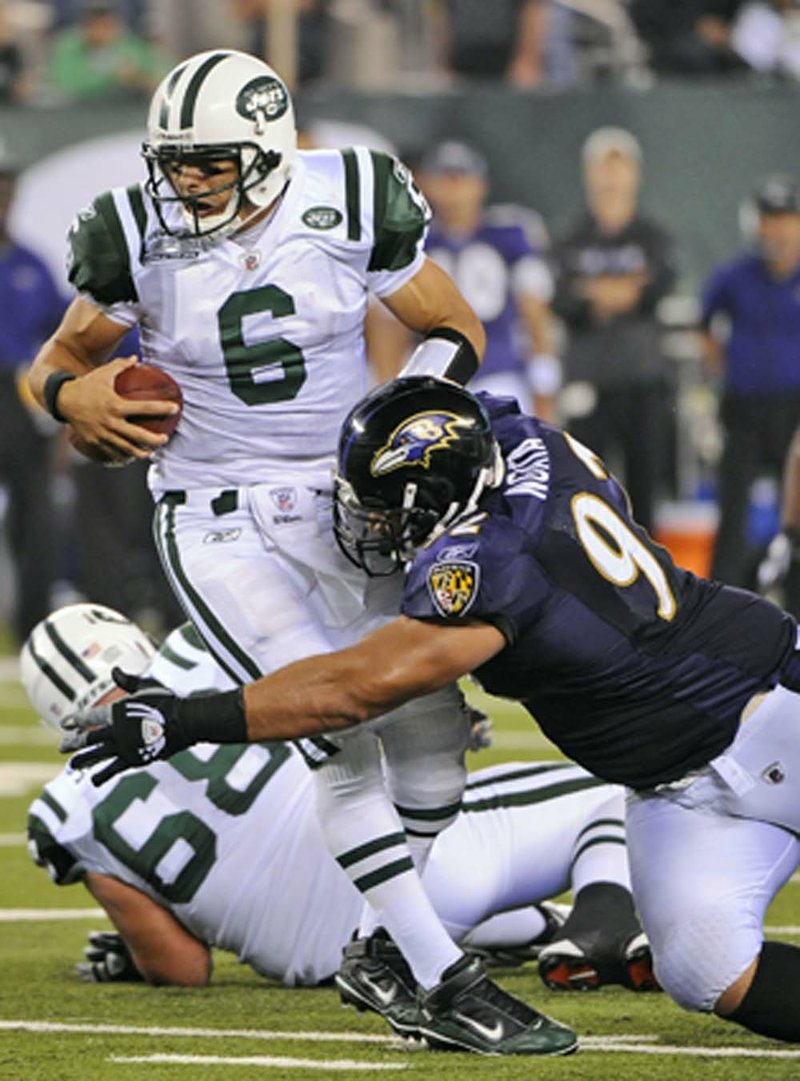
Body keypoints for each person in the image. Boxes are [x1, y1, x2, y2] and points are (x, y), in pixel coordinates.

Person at [27, 47, 576, 1058]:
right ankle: (436, 973)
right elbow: (55, 363)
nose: (181, 183)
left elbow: (450, 322)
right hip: (215, 512)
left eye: (207, 162)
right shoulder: (131, 231)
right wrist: (74, 395)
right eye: (172, 161)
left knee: (432, 737)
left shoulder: (353, 197)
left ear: (269, 154)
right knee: (334, 722)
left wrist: (407, 408)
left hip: (343, 500)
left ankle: (374, 948)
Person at [64, 375, 800, 1047]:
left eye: (385, 513)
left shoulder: (493, 563)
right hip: (674, 787)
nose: (373, 527)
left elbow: (353, 689)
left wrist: (187, 721)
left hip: (765, 709)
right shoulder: (513, 436)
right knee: (704, 967)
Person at [23, 603, 654, 997]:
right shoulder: (199, 651)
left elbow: (182, 968)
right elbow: (335, 702)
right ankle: (600, 929)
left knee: (433, 881)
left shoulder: (62, 816)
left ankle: (547, 929)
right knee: (619, 791)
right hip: (395, 880)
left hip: (320, 966)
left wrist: (140, 949)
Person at [552, 126, 679, 533]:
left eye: (618, 168)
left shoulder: (653, 235)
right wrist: (623, 289)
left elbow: (655, 290)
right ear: (588, 174)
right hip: (589, 382)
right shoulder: (570, 236)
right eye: (603, 169)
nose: (611, 179)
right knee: (585, 494)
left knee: (644, 495)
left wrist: (594, 292)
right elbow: (563, 302)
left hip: (644, 383)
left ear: (635, 175)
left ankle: (650, 588)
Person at [702, 174, 800, 590]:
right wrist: (726, 366)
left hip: (794, 409)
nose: (773, 229)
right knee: (734, 509)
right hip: (743, 406)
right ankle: (725, 600)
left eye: (783, 218)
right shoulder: (735, 276)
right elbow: (702, 325)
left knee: (795, 510)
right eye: (767, 218)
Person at [418, 139, 561, 421]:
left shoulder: (510, 233)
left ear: (480, 185)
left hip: (501, 375)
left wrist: (544, 381)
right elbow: (388, 327)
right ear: (428, 185)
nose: (454, 189)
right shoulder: (417, 240)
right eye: (445, 179)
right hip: (432, 380)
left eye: (461, 178)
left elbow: (535, 313)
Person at [0, 144, 67, 645]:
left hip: (18, 398)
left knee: (35, 516)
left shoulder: (30, 264)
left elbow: (62, 335)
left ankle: (33, 626)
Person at [45, 0, 172, 104]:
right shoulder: (68, 47)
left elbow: (163, 73)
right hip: (78, 114)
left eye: (107, 24)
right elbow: (65, 84)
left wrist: (139, 79)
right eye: (95, 24)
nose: (101, 31)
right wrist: (113, 78)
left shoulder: (130, 45)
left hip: (124, 112)